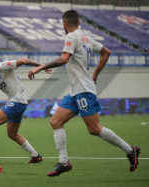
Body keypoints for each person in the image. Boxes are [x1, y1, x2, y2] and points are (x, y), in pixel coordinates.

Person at [28, 10, 140, 177]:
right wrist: (95, 74)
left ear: (64, 24)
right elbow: (106, 52)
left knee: (94, 129)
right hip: (75, 91)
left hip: (84, 90)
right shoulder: (86, 38)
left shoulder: (71, 37)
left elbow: (63, 59)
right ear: (79, 23)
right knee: (56, 121)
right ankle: (64, 162)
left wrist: (40, 67)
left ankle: (130, 150)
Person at [0, 49, 51, 165]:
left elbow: (22, 60)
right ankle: (36, 156)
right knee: (12, 134)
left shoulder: (3, 66)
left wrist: (41, 66)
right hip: (17, 102)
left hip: (18, 101)